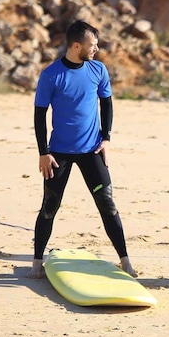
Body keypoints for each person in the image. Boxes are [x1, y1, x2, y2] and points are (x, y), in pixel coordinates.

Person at [28, 20, 136, 279]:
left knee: (107, 204)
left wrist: (106, 139)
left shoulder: (98, 70)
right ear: (76, 45)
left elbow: (107, 105)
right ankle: (36, 262)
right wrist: (43, 152)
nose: (96, 48)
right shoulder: (51, 75)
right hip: (59, 154)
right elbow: (39, 115)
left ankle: (125, 259)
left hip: (92, 151)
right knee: (49, 207)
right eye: (92, 44)